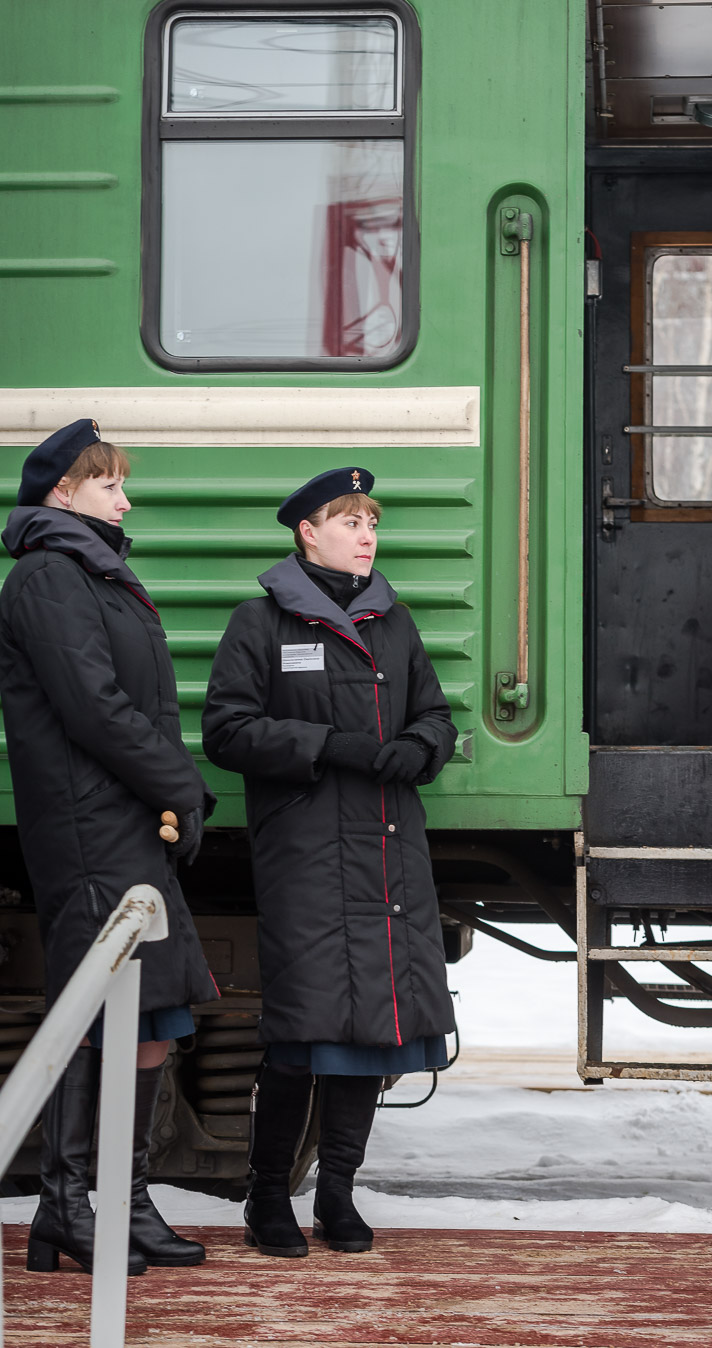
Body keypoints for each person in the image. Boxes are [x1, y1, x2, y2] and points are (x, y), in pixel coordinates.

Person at [202, 467, 456, 1257]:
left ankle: (337, 1195)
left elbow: (436, 714)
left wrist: (420, 747)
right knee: (300, 1034)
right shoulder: (261, 623)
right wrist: (328, 746)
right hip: (308, 856)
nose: (367, 535)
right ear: (308, 533)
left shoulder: (395, 624)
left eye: (372, 522)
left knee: (370, 1037)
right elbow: (227, 731)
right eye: (350, 522)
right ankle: (266, 1198)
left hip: (387, 854)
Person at [0, 419, 217, 1275]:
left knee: (153, 1013)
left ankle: (124, 1201)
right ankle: (64, 1204)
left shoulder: (95, 573)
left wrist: (169, 789)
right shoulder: (49, 577)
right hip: (89, 827)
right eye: (110, 484)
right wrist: (179, 784)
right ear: (64, 491)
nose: (125, 500)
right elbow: (93, 707)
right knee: (93, 1013)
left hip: (124, 821)